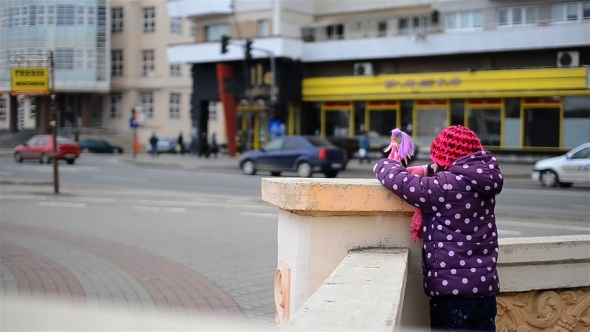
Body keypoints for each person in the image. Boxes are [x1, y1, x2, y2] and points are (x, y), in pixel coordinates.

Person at [373, 125, 503, 331]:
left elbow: (403, 183)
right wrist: (426, 170)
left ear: (443, 160)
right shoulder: (484, 182)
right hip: (485, 294)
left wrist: (384, 165)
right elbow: (460, 173)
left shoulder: (443, 186)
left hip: (452, 296)